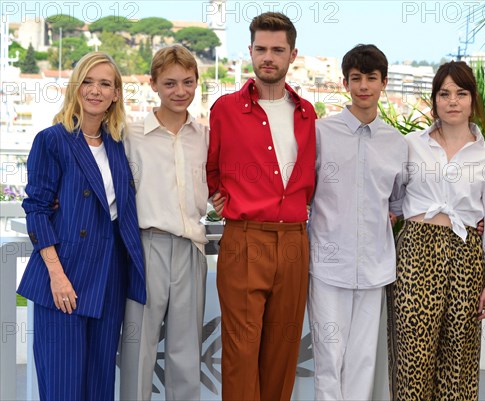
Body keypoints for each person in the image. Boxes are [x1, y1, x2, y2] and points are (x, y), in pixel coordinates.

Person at [17, 51, 146, 401]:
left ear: (116, 93)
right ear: (76, 88)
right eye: (88, 81)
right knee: (63, 387)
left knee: (100, 387)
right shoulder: (52, 140)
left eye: (105, 83)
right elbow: (37, 208)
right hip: (65, 275)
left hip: (109, 278)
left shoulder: (119, 145)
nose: (95, 90)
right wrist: (57, 275)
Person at [207, 12, 317, 401]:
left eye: (277, 50)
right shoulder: (225, 109)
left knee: (282, 353)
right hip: (245, 239)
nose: (268, 57)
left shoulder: (307, 114)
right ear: (250, 51)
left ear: (292, 55)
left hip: (293, 243)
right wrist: (221, 196)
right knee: (240, 351)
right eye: (261, 49)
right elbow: (212, 169)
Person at [387, 60, 485, 401]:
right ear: (435, 99)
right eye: (444, 93)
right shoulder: (410, 144)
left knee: (459, 361)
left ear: (473, 100)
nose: (452, 101)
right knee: (412, 359)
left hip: (465, 255)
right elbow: (393, 200)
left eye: (461, 93)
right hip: (415, 253)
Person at [307, 44, 407, 401]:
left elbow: (397, 202)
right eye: (356, 78)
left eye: (371, 78)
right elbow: (305, 193)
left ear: (384, 82)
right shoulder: (320, 133)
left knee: (364, 361)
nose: (363, 86)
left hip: (375, 269)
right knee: (329, 360)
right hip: (328, 266)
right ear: (345, 82)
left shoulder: (397, 143)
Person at [119, 44, 209, 401]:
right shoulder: (130, 134)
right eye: (170, 83)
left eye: (188, 82)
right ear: (153, 84)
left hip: (191, 249)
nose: (180, 91)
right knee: (138, 348)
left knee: (186, 353)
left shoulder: (205, 137)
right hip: (145, 247)